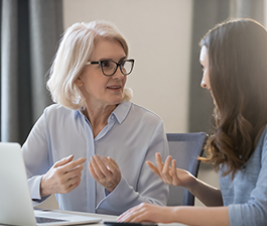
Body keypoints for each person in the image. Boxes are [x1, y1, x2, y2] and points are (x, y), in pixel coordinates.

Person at [118, 18, 267, 226]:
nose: (203, 82)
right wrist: (192, 183)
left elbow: (259, 216)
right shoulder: (241, 128)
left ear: (234, 71)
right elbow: (234, 207)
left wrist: (169, 213)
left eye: (207, 68)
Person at [22, 20, 169, 215]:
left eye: (122, 64)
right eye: (106, 64)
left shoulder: (150, 126)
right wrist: (44, 185)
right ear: (77, 75)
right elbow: (8, 187)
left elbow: (157, 211)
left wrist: (118, 189)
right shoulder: (53, 119)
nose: (120, 75)